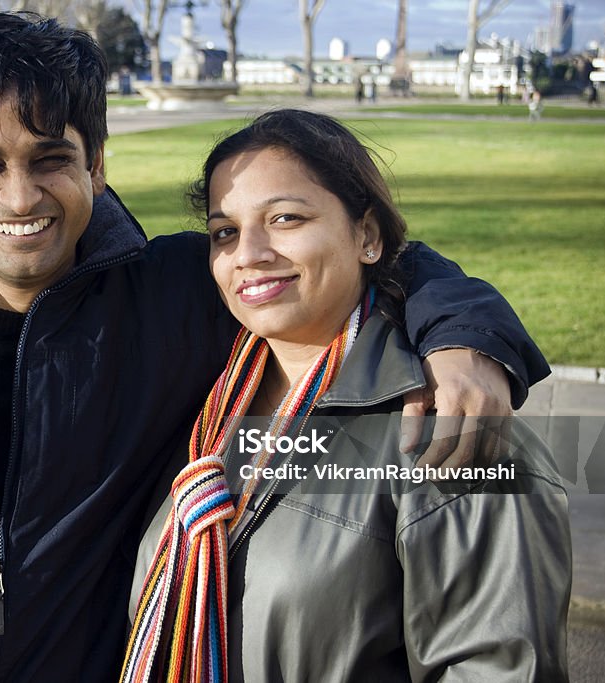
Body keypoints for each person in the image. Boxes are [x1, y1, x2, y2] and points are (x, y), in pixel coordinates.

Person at [0, 14, 549, 683]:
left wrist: (463, 330)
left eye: (50, 158)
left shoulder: (173, 292)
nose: (20, 195)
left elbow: (349, 257)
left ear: (97, 165)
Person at [123, 110, 570, 682]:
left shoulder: (453, 430)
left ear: (367, 235)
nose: (248, 253)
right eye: (224, 232)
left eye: (286, 218)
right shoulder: (202, 399)